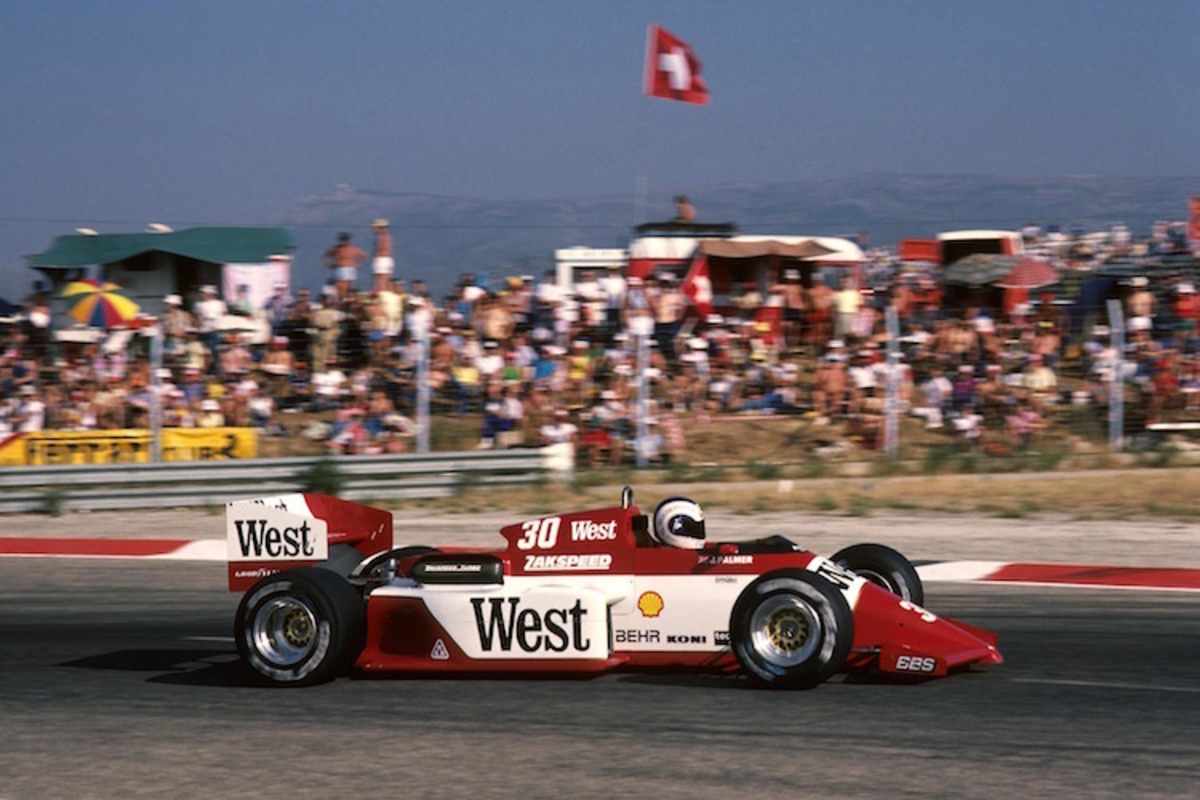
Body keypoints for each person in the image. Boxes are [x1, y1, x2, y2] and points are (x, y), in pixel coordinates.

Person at [325, 232, 366, 299]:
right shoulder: (337, 248)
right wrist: (329, 264)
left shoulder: (353, 248)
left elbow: (363, 255)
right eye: (342, 240)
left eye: (345, 240)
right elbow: (327, 255)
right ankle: (343, 299)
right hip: (341, 268)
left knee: (346, 287)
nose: (343, 241)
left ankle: (345, 299)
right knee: (340, 287)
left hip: (349, 269)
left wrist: (357, 263)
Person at [371, 219, 394, 293]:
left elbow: (380, 249)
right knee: (386, 280)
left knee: (380, 281)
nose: (374, 229)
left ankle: (381, 295)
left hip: (381, 260)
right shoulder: (387, 236)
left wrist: (376, 258)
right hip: (387, 259)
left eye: (375, 227)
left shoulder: (381, 237)